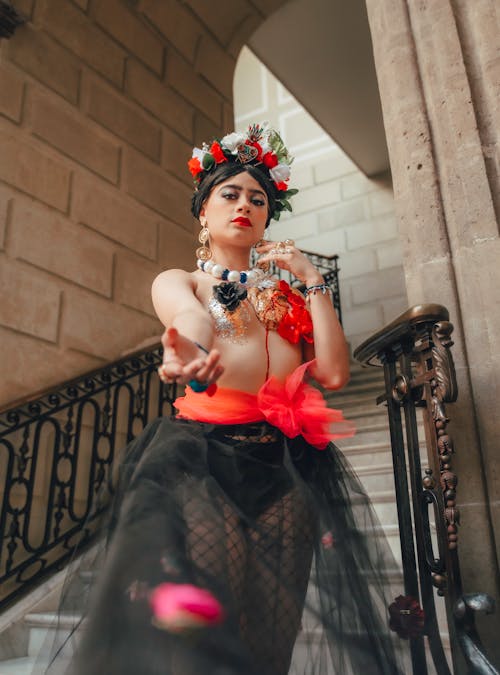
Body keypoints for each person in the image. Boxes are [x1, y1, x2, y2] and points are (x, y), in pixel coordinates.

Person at [45, 124, 403, 675]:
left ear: (268, 216)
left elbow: (332, 373)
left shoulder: (290, 295)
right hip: (203, 460)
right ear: (204, 212)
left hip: (286, 465)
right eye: (230, 194)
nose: (245, 205)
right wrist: (185, 355)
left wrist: (314, 282)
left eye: (258, 199)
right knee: (209, 637)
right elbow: (191, 325)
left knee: (270, 641)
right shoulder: (181, 282)